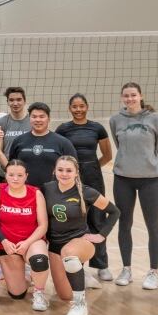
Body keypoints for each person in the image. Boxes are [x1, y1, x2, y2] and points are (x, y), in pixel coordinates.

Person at [43, 156, 121, 315]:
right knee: (64, 295)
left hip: (80, 243)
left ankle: (80, 304)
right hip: (54, 245)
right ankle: (82, 277)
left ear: (76, 172)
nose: (64, 174)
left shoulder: (86, 192)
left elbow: (115, 211)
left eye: (69, 170)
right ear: (54, 171)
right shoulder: (46, 189)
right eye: (60, 170)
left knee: (69, 254)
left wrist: (101, 235)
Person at [109, 82, 158, 290]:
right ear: (121, 98)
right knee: (124, 224)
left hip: (149, 180)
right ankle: (126, 269)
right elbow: (119, 146)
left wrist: (147, 164)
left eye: (133, 95)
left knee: (153, 226)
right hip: (123, 179)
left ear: (140, 96)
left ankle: (153, 272)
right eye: (126, 96)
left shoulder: (156, 119)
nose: (130, 99)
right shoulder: (115, 119)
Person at [55, 93, 113, 283]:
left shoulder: (97, 128)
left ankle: (101, 266)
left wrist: (92, 167)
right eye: (74, 106)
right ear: (69, 108)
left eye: (81, 106)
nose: (78, 110)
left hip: (93, 179)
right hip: (71, 181)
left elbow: (107, 155)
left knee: (97, 221)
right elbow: (59, 155)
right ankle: (77, 265)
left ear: (87, 107)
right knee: (77, 222)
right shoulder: (63, 129)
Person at [0, 160, 51, 311]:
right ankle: (27, 275)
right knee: (17, 293)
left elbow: (43, 226)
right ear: (6, 175)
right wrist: (4, 240)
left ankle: (39, 293)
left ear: (26, 176)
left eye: (20, 175)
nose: (15, 178)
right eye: (11, 175)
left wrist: (27, 243)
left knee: (39, 261)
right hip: (7, 245)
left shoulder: (36, 193)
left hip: (31, 242)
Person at [8, 102, 77, 187]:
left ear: (49, 119)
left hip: (54, 193)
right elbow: (12, 167)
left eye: (42, 116)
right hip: (24, 193)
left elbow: (74, 169)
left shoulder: (63, 143)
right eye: (34, 116)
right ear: (29, 118)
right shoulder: (18, 141)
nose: (38, 120)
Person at [0, 87, 31, 172]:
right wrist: (9, 169)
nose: (15, 103)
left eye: (19, 100)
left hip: (28, 171)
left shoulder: (32, 121)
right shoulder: (1, 122)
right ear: (7, 102)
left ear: (24, 101)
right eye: (11, 100)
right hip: (6, 172)